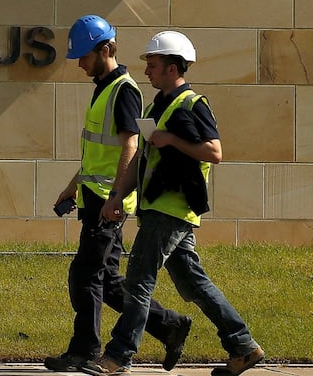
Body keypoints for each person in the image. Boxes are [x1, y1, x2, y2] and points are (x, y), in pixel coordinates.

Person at [85, 31, 264, 376]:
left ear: (172, 68)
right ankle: (243, 346)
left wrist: (171, 139)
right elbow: (142, 159)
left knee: (138, 282)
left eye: (152, 65)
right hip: (160, 208)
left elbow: (215, 152)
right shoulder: (155, 107)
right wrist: (118, 195)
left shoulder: (193, 104)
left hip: (171, 209)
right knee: (194, 284)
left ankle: (118, 357)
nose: (147, 71)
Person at [45, 16, 192, 373]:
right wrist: (73, 185)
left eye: (84, 56)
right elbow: (100, 150)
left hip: (107, 201)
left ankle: (84, 350)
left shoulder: (124, 90)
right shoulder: (104, 87)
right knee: (108, 282)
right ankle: (169, 325)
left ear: (106, 50)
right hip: (94, 196)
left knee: (85, 276)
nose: (79, 63)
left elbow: (130, 144)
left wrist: (115, 197)